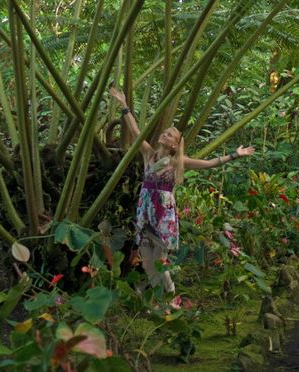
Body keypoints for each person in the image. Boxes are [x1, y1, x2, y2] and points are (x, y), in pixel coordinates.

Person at [109, 87, 255, 296]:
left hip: (163, 215)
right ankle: (160, 298)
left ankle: (169, 293)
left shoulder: (179, 162)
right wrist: (124, 106)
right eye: (165, 131)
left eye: (170, 134)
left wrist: (235, 154)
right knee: (147, 263)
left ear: (175, 145)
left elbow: (210, 163)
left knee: (159, 261)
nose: (164, 133)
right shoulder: (148, 154)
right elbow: (135, 132)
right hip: (146, 211)